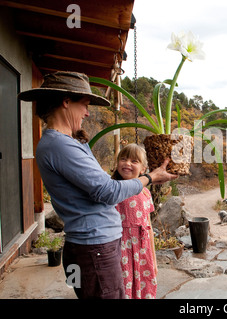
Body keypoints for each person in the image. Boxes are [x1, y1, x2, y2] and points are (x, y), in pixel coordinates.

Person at [18, 71, 178, 299]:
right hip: (95, 250)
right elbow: (108, 191)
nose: (87, 112)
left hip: (89, 248)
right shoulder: (59, 146)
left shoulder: (63, 143)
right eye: (83, 104)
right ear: (66, 102)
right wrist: (151, 177)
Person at [111, 144, 158, 299]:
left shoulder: (145, 192)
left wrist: (154, 259)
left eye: (134, 161)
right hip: (121, 247)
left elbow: (148, 227)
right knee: (123, 287)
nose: (127, 163)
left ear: (143, 169)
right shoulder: (114, 190)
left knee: (146, 285)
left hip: (143, 250)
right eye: (123, 159)